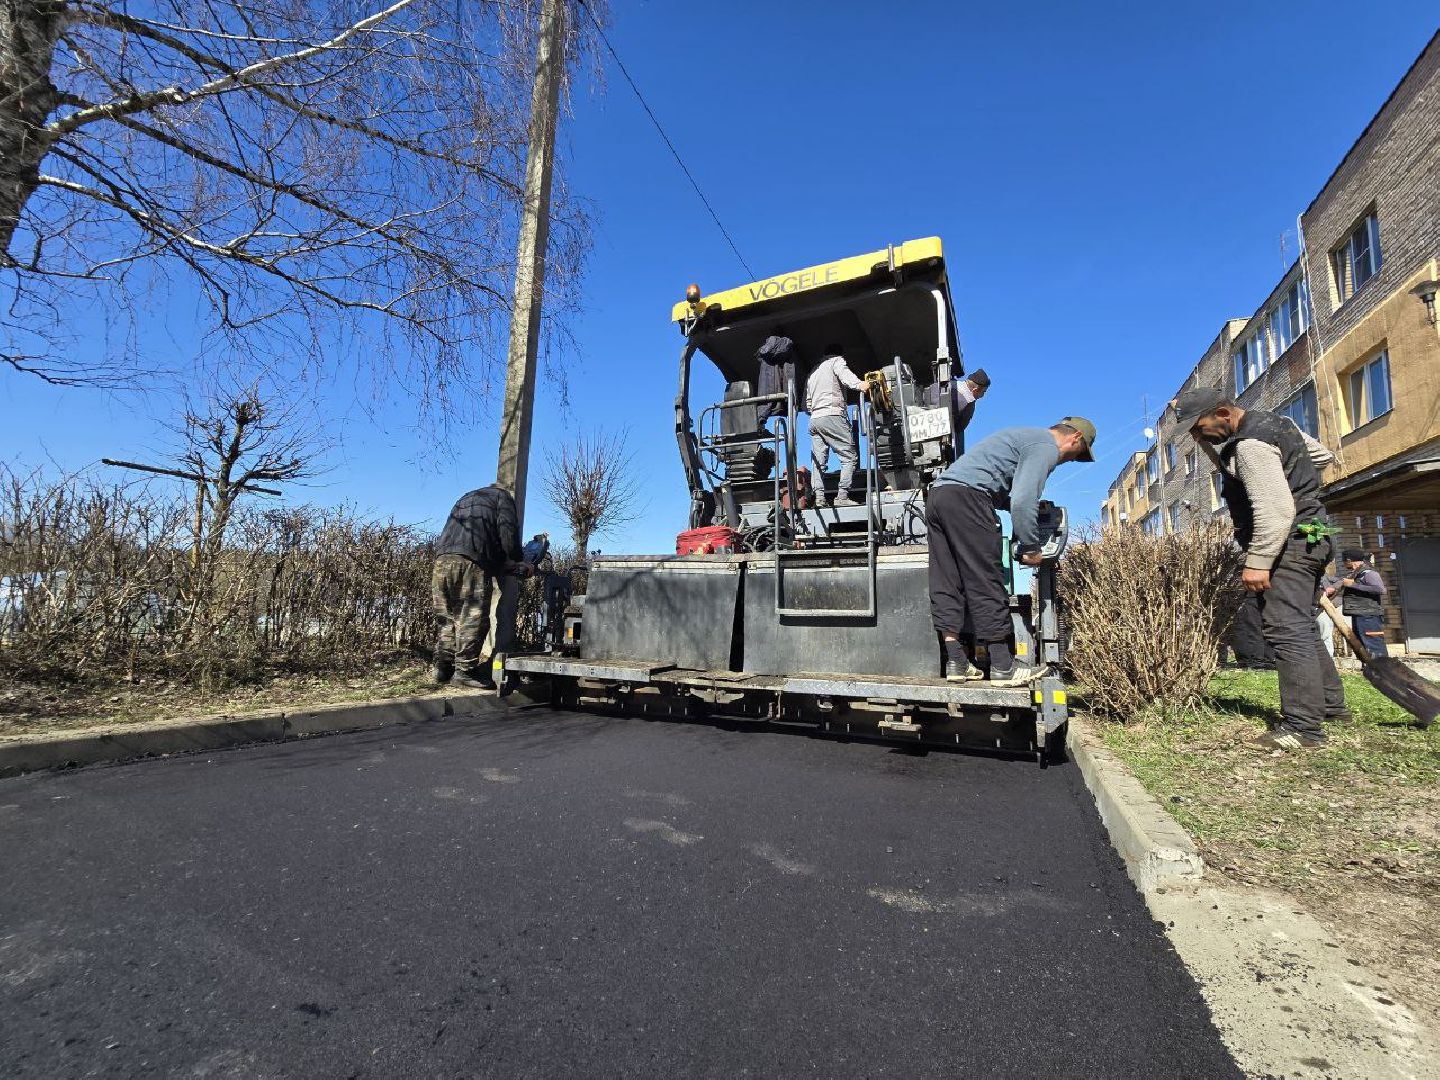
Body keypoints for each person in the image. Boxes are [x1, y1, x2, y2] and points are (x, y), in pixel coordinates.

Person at [1172, 388, 1346, 750]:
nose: (1197, 435)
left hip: (1287, 543)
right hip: (1313, 536)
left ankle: (1303, 728)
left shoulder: (1249, 446)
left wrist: (1259, 561)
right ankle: (1330, 704)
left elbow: (1276, 510)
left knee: (1285, 629)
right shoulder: (1277, 425)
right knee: (1301, 625)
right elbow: (1322, 456)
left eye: (1200, 427)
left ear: (1222, 413)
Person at [927, 417, 1096, 686]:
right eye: (1077, 455)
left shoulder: (1023, 435)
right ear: (1075, 438)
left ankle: (956, 661)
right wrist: (1030, 547)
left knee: (946, 580)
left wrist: (1022, 505)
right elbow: (1022, 500)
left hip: (939, 497)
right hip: (969, 499)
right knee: (984, 580)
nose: (1069, 461)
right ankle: (1003, 667)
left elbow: (1006, 493)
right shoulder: (1045, 446)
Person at [431, 482, 534, 690]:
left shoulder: (466, 498)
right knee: (472, 619)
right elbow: (507, 533)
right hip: (471, 563)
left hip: (442, 560)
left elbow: (475, 533)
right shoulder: (502, 498)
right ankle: (465, 671)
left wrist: (498, 563)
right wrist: (517, 559)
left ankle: (443, 667)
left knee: (447, 617)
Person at [804, 345, 871, 507]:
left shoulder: (813, 371)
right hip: (832, 414)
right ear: (838, 353)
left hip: (814, 419)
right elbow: (846, 376)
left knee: (819, 461)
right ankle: (842, 496)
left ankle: (819, 497)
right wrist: (861, 385)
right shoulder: (836, 361)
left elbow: (807, 404)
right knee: (849, 457)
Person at [1338, 548, 1389, 658]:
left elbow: (1380, 589)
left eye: (1344, 561)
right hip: (1360, 614)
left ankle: (1382, 670)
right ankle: (1370, 669)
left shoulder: (1369, 573)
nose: (1344, 564)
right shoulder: (1357, 574)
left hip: (1369, 616)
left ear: (1349, 560)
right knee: (1363, 644)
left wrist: (1353, 585)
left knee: (1373, 643)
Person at [952, 368, 990, 438]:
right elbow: (959, 428)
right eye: (983, 392)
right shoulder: (968, 404)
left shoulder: (948, 382)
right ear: (975, 390)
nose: (983, 396)